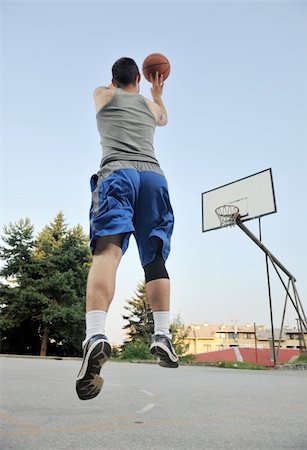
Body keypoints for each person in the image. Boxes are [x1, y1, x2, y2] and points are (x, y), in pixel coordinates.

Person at [76, 57, 178, 401]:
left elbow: (105, 91)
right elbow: (163, 118)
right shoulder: (149, 106)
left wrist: (115, 83)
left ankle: (95, 334)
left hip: (118, 173)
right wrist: (157, 92)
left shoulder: (103, 95)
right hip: (153, 177)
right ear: (139, 77)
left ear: (115, 79)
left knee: (108, 252)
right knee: (155, 258)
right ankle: (162, 334)